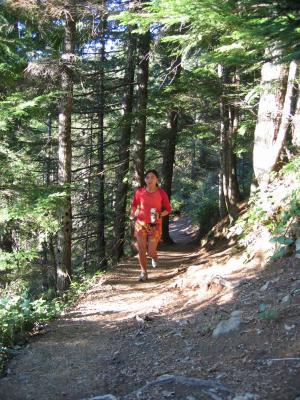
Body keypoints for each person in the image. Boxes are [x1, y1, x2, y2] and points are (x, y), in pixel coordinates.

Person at [130, 169, 171, 282]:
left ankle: (154, 257)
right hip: (141, 224)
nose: (150, 179)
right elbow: (134, 204)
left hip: (155, 224)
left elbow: (168, 209)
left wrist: (159, 215)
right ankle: (143, 272)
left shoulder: (161, 193)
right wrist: (132, 213)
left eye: (152, 177)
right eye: (147, 177)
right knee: (142, 250)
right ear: (145, 180)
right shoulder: (140, 192)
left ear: (157, 179)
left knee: (151, 251)